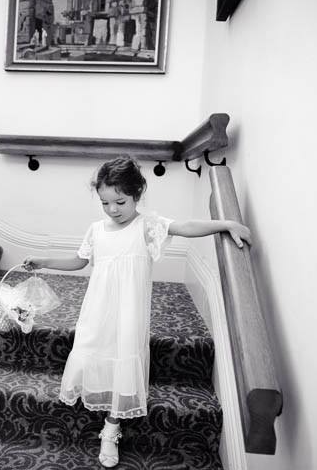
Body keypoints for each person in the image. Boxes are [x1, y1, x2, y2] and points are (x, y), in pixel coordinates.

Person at [23, 155, 251, 468]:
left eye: (120, 201)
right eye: (105, 203)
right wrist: (43, 261)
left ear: (137, 195)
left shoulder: (148, 226)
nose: (113, 210)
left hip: (129, 312)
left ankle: (111, 427)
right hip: (98, 310)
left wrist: (225, 224)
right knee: (93, 351)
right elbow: (79, 261)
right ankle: (99, 401)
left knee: (124, 360)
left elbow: (185, 226)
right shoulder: (96, 231)